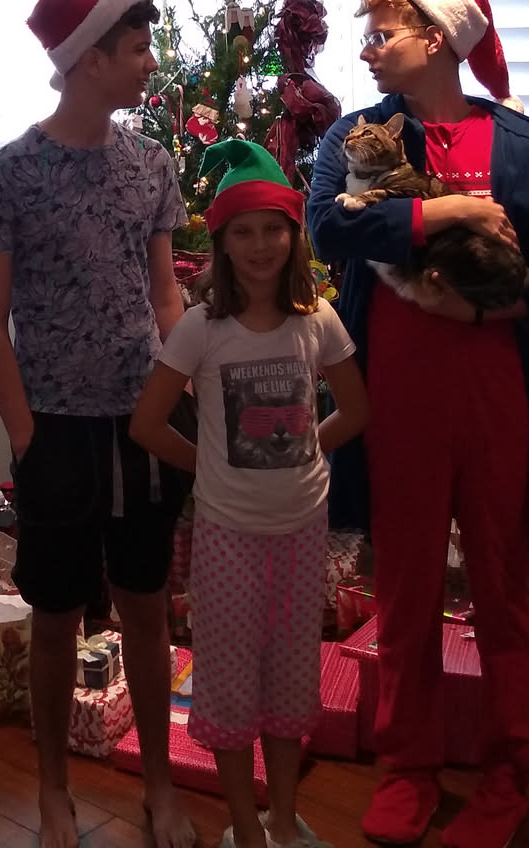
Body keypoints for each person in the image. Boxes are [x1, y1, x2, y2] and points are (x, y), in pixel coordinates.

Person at [306, 0, 529, 848]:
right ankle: (408, 767)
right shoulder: (354, 136)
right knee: (405, 591)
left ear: (436, 38)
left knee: (505, 589)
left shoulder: (522, 144)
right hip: (395, 397)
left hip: (497, 393)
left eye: (382, 33)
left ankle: (508, 772)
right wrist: (452, 209)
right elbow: (327, 229)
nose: (367, 49)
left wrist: (492, 307)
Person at [0, 0, 196, 848]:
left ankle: (160, 785)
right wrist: (26, 437)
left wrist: (183, 392)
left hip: (143, 422)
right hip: (55, 430)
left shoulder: (151, 164)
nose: (149, 64)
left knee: (147, 607)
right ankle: (52, 790)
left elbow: (165, 295)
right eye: (137, 49)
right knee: (57, 616)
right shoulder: (10, 175)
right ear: (89, 59)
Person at [130, 139, 369, 848]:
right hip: (228, 538)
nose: (260, 245)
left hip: (301, 532)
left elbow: (356, 409)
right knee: (231, 686)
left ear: (294, 235)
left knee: (292, 682)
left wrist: (305, 447)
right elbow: (147, 424)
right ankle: (244, 827)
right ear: (222, 243)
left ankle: (283, 822)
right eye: (243, 231)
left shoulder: (316, 319)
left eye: (273, 229)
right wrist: (209, 467)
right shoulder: (201, 329)